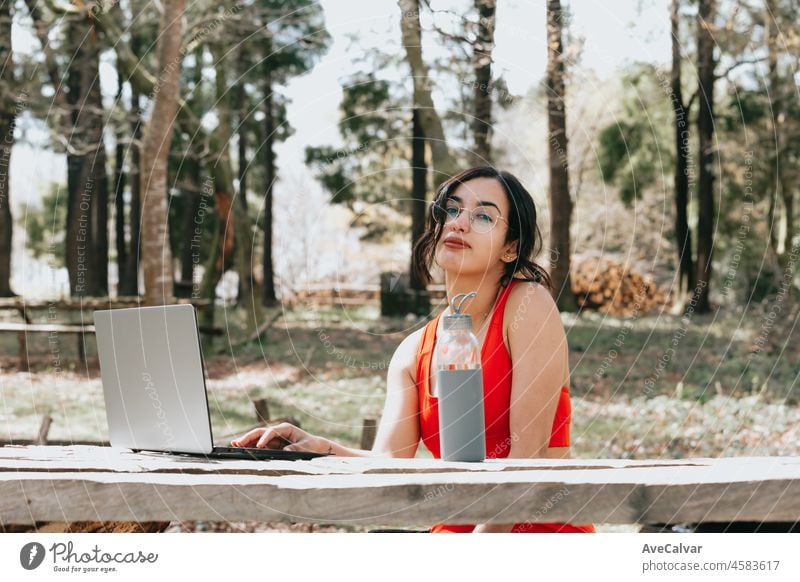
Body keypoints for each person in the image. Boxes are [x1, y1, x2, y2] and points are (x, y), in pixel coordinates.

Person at [232, 166, 595, 533]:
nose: (459, 223)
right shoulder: (412, 351)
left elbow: (525, 458)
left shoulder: (527, 305)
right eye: (451, 210)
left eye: (483, 216)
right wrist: (316, 447)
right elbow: (388, 463)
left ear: (510, 248)